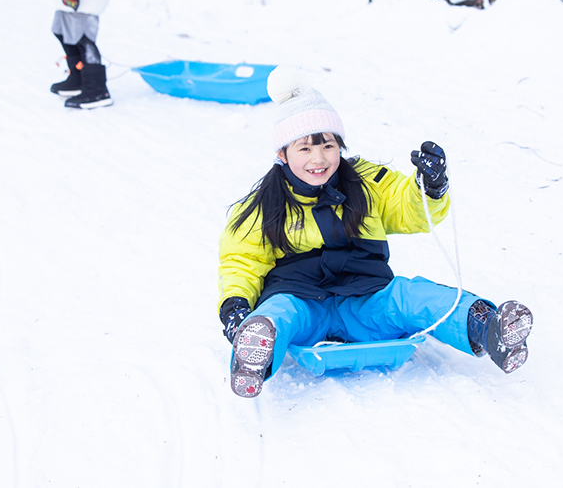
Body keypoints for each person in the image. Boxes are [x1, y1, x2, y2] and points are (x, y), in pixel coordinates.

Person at [217, 67, 534, 398]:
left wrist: (430, 188)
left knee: (415, 296)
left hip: (367, 300)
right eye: (304, 149)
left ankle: (489, 328)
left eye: (328, 146)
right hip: (301, 301)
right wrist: (235, 305)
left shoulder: (366, 182)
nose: (319, 159)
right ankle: (253, 354)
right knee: (278, 313)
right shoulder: (263, 205)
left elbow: (406, 207)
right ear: (282, 154)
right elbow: (241, 260)